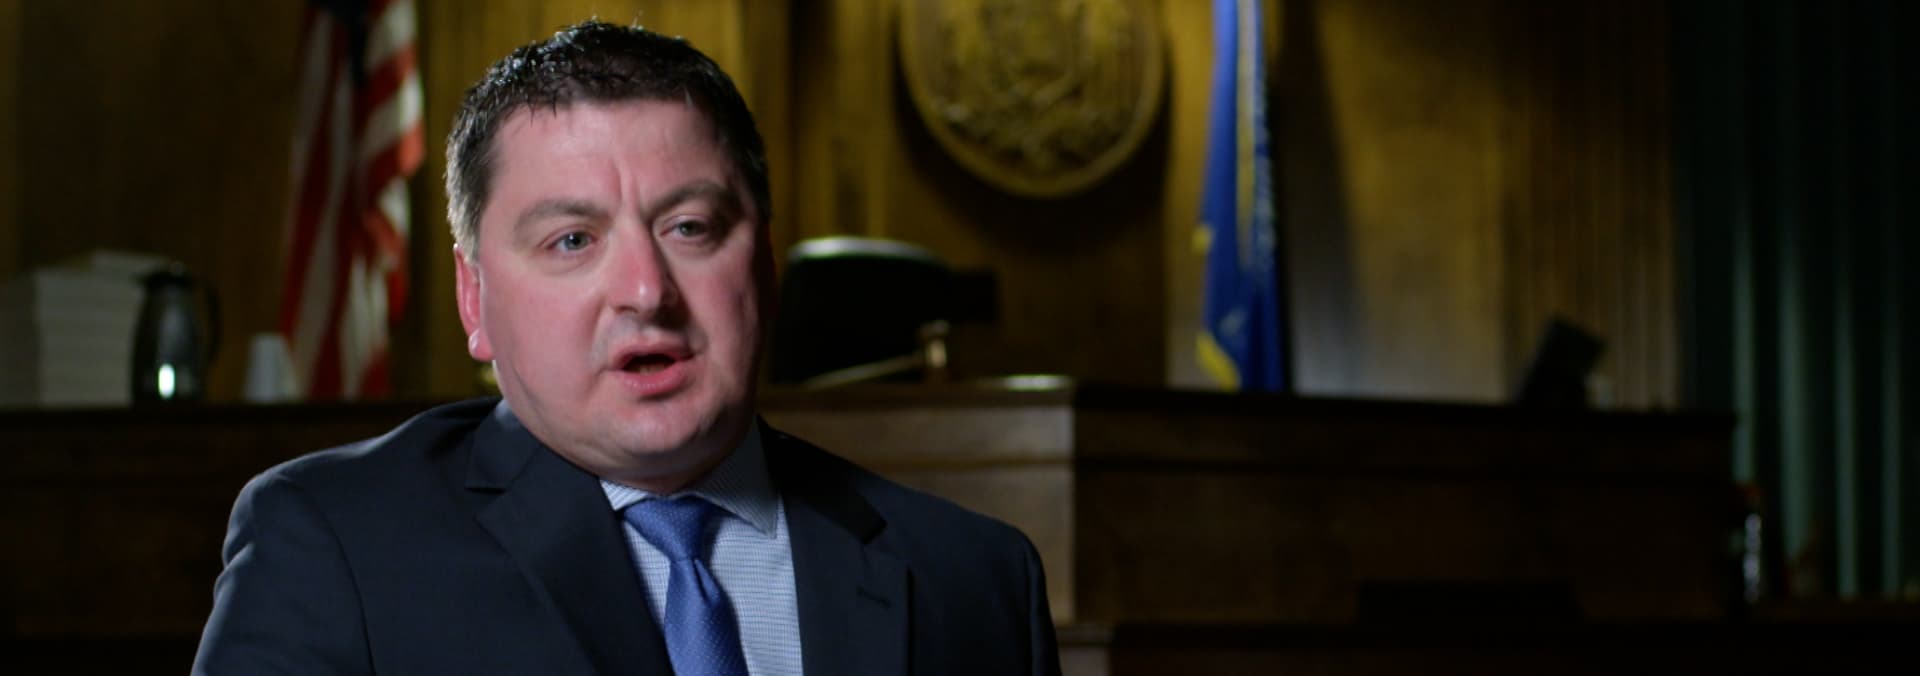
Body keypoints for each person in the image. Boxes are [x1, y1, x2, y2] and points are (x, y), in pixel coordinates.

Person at [192, 20, 1060, 676]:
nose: (646, 291)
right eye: (572, 240)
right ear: (474, 299)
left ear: (763, 263)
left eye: (690, 227)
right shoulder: (335, 549)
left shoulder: (973, 579)